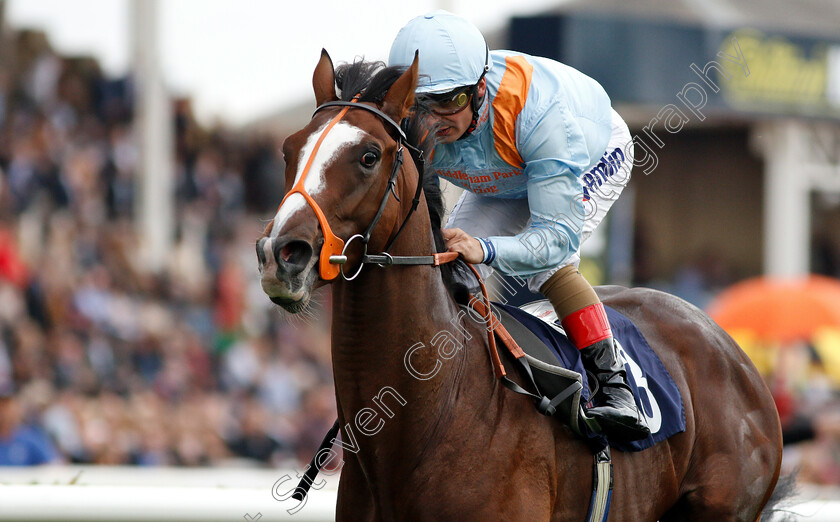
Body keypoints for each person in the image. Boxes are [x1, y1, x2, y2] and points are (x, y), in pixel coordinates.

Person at [389, 11, 649, 441]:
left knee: (545, 265)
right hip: (504, 171)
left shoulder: (539, 115)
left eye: (449, 102)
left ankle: (615, 386)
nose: (433, 121)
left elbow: (554, 240)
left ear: (478, 89)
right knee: (453, 268)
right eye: (418, 105)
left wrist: (487, 248)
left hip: (588, 154)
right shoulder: (405, 119)